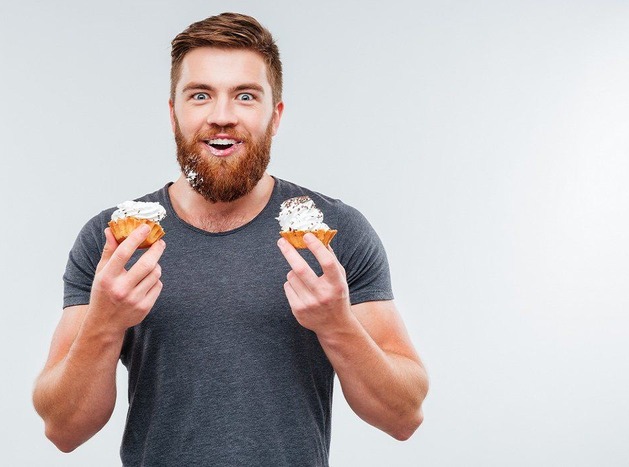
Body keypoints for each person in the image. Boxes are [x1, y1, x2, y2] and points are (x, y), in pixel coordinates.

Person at [32, 12, 428, 466]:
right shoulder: (115, 243)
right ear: (173, 112)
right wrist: (104, 322)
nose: (222, 116)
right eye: (200, 95)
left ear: (274, 116)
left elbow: (404, 415)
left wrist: (337, 325)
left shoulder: (333, 234)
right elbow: (62, 429)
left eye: (245, 96)